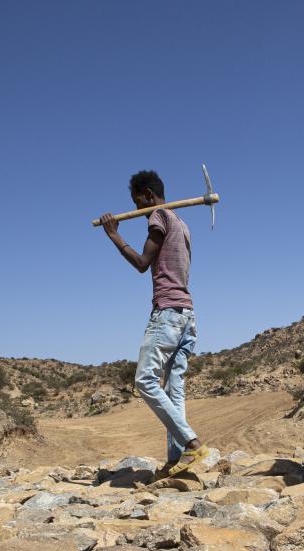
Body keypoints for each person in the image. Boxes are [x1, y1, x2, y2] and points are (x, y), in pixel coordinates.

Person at [98, 170, 212, 478]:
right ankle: (176, 461)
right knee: (174, 389)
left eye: (137, 202)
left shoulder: (159, 216)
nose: (136, 209)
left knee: (145, 381)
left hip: (167, 314)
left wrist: (114, 236)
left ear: (148, 195)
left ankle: (192, 444)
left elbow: (141, 264)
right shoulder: (182, 222)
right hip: (187, 314)